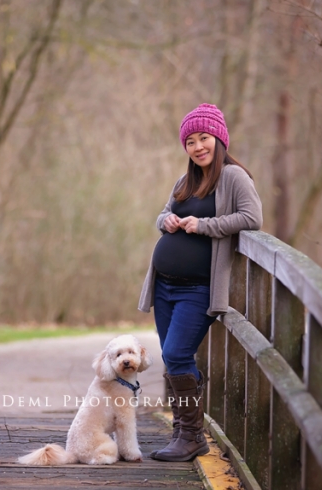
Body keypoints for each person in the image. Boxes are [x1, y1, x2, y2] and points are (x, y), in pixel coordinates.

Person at [138, 103, 263, 462]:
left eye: (203, 138)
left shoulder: (234, 178)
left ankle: (192, 435)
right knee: (173, 357)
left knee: (177, 353)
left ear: (218, 139)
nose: (197, 146)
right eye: (190, 141)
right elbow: (163, 213)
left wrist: (204, 225)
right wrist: (169, 223)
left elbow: (252, 218)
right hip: (165, 286)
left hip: (198, 287)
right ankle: (184, 431)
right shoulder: (185, 181)